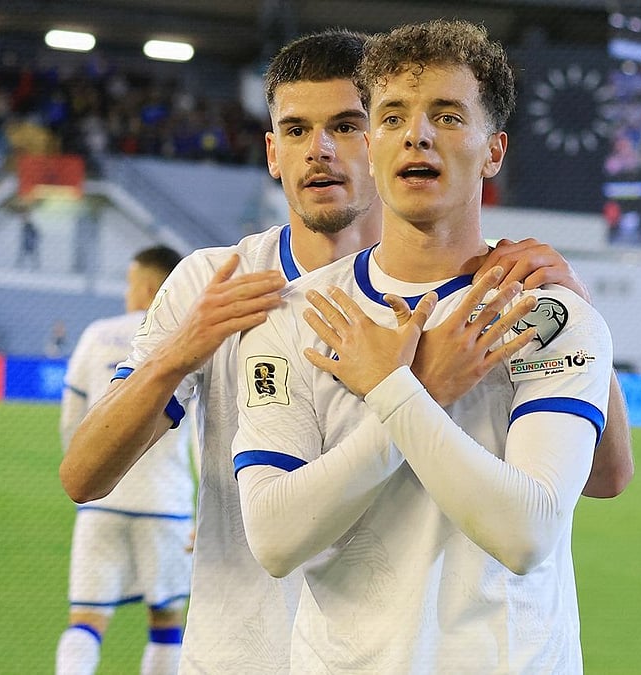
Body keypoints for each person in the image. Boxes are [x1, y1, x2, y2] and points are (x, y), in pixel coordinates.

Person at [60, 29, 631, 673]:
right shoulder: (231, 290)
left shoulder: (523, 299)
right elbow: (86, 478)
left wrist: (576, 314)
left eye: (347, 124)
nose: (321, 151)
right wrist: (176, 352)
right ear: (272, 151)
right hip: (243, 650)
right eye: (297, 130)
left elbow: (599, 483)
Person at [231, 19, 612, 672]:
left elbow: (527, 533)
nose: (417, 134)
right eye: (392, 116)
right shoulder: (293, 318)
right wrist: (421, 390)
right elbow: (273, 536)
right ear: (373, 144)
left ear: (494, 151)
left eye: (446, 115)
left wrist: (392, 388)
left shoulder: (546, 313)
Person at [55, 246, 193, 675]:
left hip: (100, 502)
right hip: (166, 503)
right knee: (167, 623)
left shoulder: (98, 334)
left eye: (130, 283)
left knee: (86, 620)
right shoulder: (188, 335)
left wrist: (91, 467)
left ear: (150, 286)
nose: (126, 292)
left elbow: (71, 421)